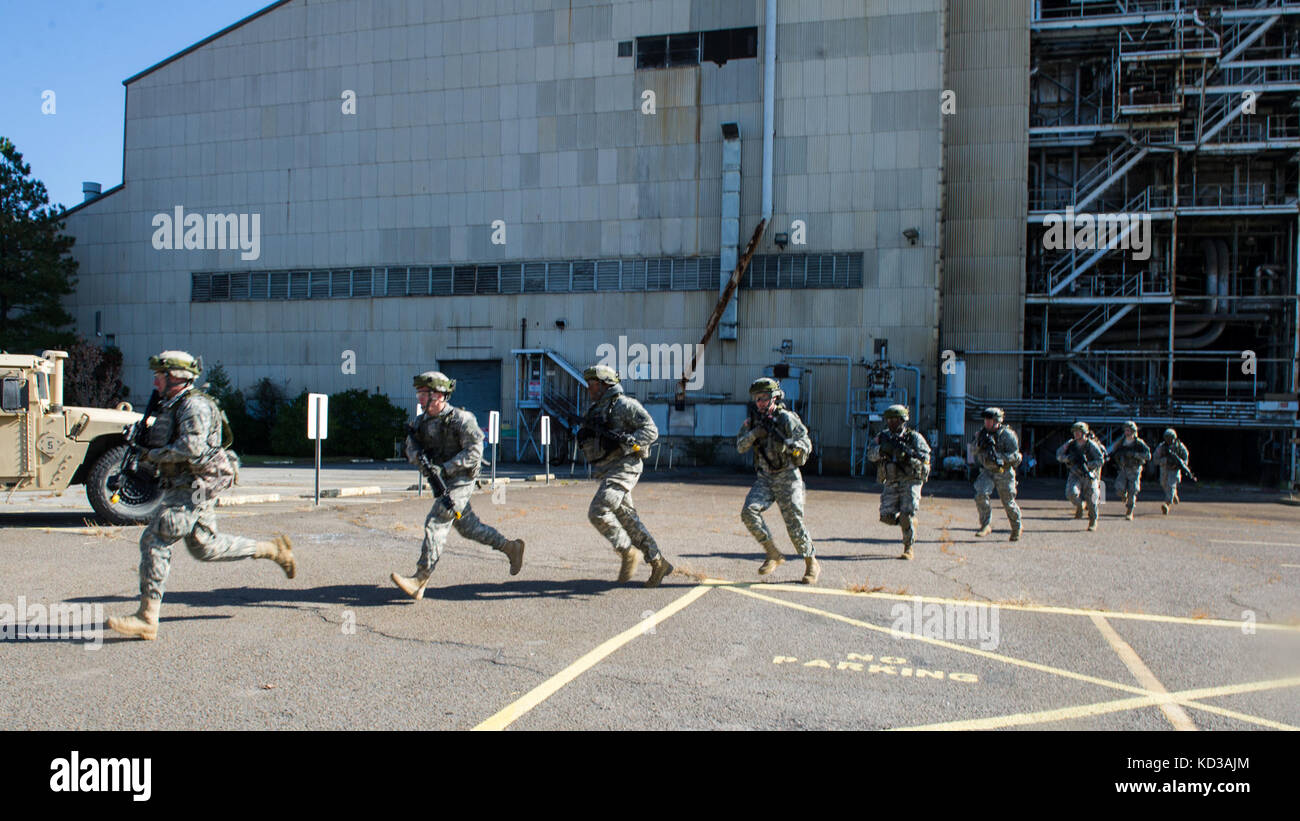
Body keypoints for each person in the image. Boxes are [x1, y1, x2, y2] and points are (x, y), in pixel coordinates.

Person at [106, 351, 295, 640]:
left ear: (176, 378)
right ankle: (272, 550)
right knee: (205, 546)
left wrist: (152, 455)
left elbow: (192, 449)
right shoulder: (172, 404)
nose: (155, 382)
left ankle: (147, 617)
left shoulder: (194, 405)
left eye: (160, 376)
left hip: (193, 486)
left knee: (156, 538)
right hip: (187, 484)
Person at [391, 371, 525, 599]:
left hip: (461, 479)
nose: (419, 398)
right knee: (467, 526)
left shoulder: (462, 419)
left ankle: (420, 579)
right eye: (419, 393)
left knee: (437, 520)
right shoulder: (421, 423)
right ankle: (510, 547)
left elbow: (474, 452)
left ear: (439, 395)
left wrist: (444, 468)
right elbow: (410, 448)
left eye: (424, 393)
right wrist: (420, 459)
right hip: (442, 479)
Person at [579, 365, 673, 587]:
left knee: (598, 511)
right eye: (588, 384)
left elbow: (651, 430)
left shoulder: (625, 405)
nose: (589, 388)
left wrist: (629, 442)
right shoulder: (594, 411)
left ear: (605, 384)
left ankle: (628, 551)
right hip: (608, 469)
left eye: (593, 384)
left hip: (626, 467)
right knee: (629, 521)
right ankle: (658, 562)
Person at [737, 377, 818, 583]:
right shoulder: (752, 421)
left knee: (794, 524)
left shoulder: (786, 419)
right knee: (748, 512)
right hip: (765, 478)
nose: (760, 403)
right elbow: (740, 446)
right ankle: (772, 553)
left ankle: (811, 563)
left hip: (787, 476)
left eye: (763, 398)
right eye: (757, 399)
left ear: (774, 397)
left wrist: (799, 448)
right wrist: (755, 433)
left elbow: (805, 440)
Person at [867, 404, 931, 560]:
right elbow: (870, 454)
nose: (892, 423)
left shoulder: (914, 438)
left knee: (906, 513)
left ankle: (908, 547)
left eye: (895, 420)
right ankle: (908, 523)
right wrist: (882, 450)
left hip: (910, 480)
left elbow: (926, 460)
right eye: (889, 420)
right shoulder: (883, 437)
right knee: (886, 517)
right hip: (891, 479)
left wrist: (908, 457)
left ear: (903, 420)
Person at [971, 407, 1023, 541]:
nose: (987, 423)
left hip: (1004, 472)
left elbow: (1017, 457)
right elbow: (973, 451)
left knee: (1008, 502)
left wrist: (1001, 457)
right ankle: (985, 525)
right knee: (980, 495)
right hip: (988, 471)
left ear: (997, 421)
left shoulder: (1008, 435)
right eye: (986, 420)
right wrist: (979, 445)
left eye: (990, 420)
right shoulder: (981, 434)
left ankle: (1016, 528)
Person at [1056, 421, 1106, 531]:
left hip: (1088, 475)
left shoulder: (1091, 445)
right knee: (1071, 493)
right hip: (1075, 474)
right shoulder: (1070, 444)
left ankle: (1093, 521)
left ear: (1084, 433)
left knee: (1093, 500)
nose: (1076, 434)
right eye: (1075, 432)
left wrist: (1088, 465)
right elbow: (1059, 455)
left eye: (1078, 432)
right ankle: (1080, 506)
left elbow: (1100, 460)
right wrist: (1068, 458)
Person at [1109, 421, 1151, 520]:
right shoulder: (1121, 442)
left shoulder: (1139, 443)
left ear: (1133, 431)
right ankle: (1124, 496)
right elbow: (1114, 451)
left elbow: (1148, 456)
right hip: (1123, 468)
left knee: (1133, 490)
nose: (1126, 432)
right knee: (1119, 488)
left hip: (1134, 469)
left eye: (1128, 430)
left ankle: (1129, 511)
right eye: (1125, 430)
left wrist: (1135, 454)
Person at [1152, 428, 1192, 515]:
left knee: (1171, 486)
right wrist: (1165, 460)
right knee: (1163, 484)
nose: (1169, 440)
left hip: (1174, 470)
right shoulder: (1162, 447)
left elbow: (1185, 458)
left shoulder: (1180, 447)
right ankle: (1173, 495)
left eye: (1170, 437)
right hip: (1165, 468)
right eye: (1167, 437)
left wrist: (1180, 464)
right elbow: (1155, 459)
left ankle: (1167, 504)